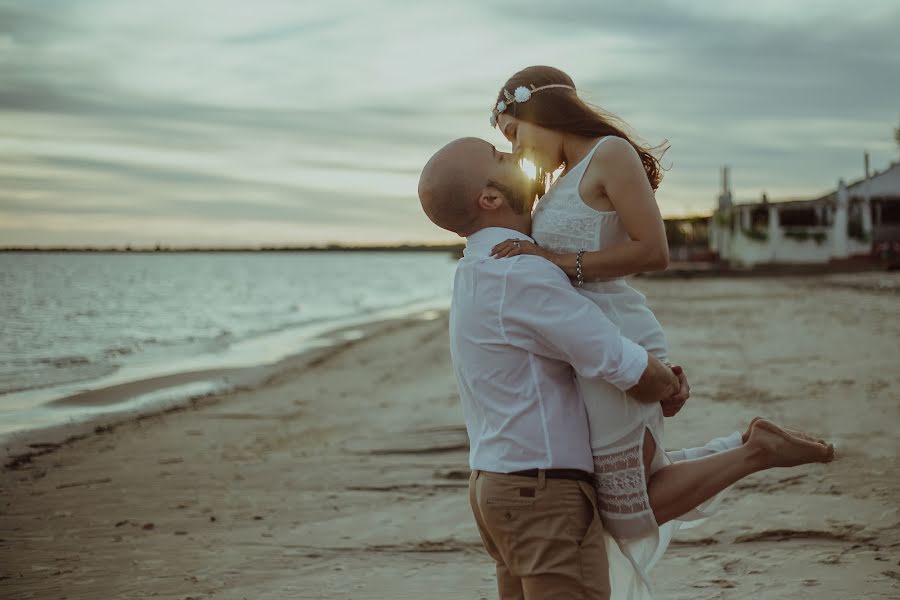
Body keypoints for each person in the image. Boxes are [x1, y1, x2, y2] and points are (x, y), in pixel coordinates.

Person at [417, 135, 834, 599]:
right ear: (490, 197)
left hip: (495, 485)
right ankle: (753, 451)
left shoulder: (474, 269)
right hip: (539, 490)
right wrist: (664, 384)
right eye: (500, 157)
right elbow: (614, 357)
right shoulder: (518, 270)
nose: (516, 155)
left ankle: (749, 449)